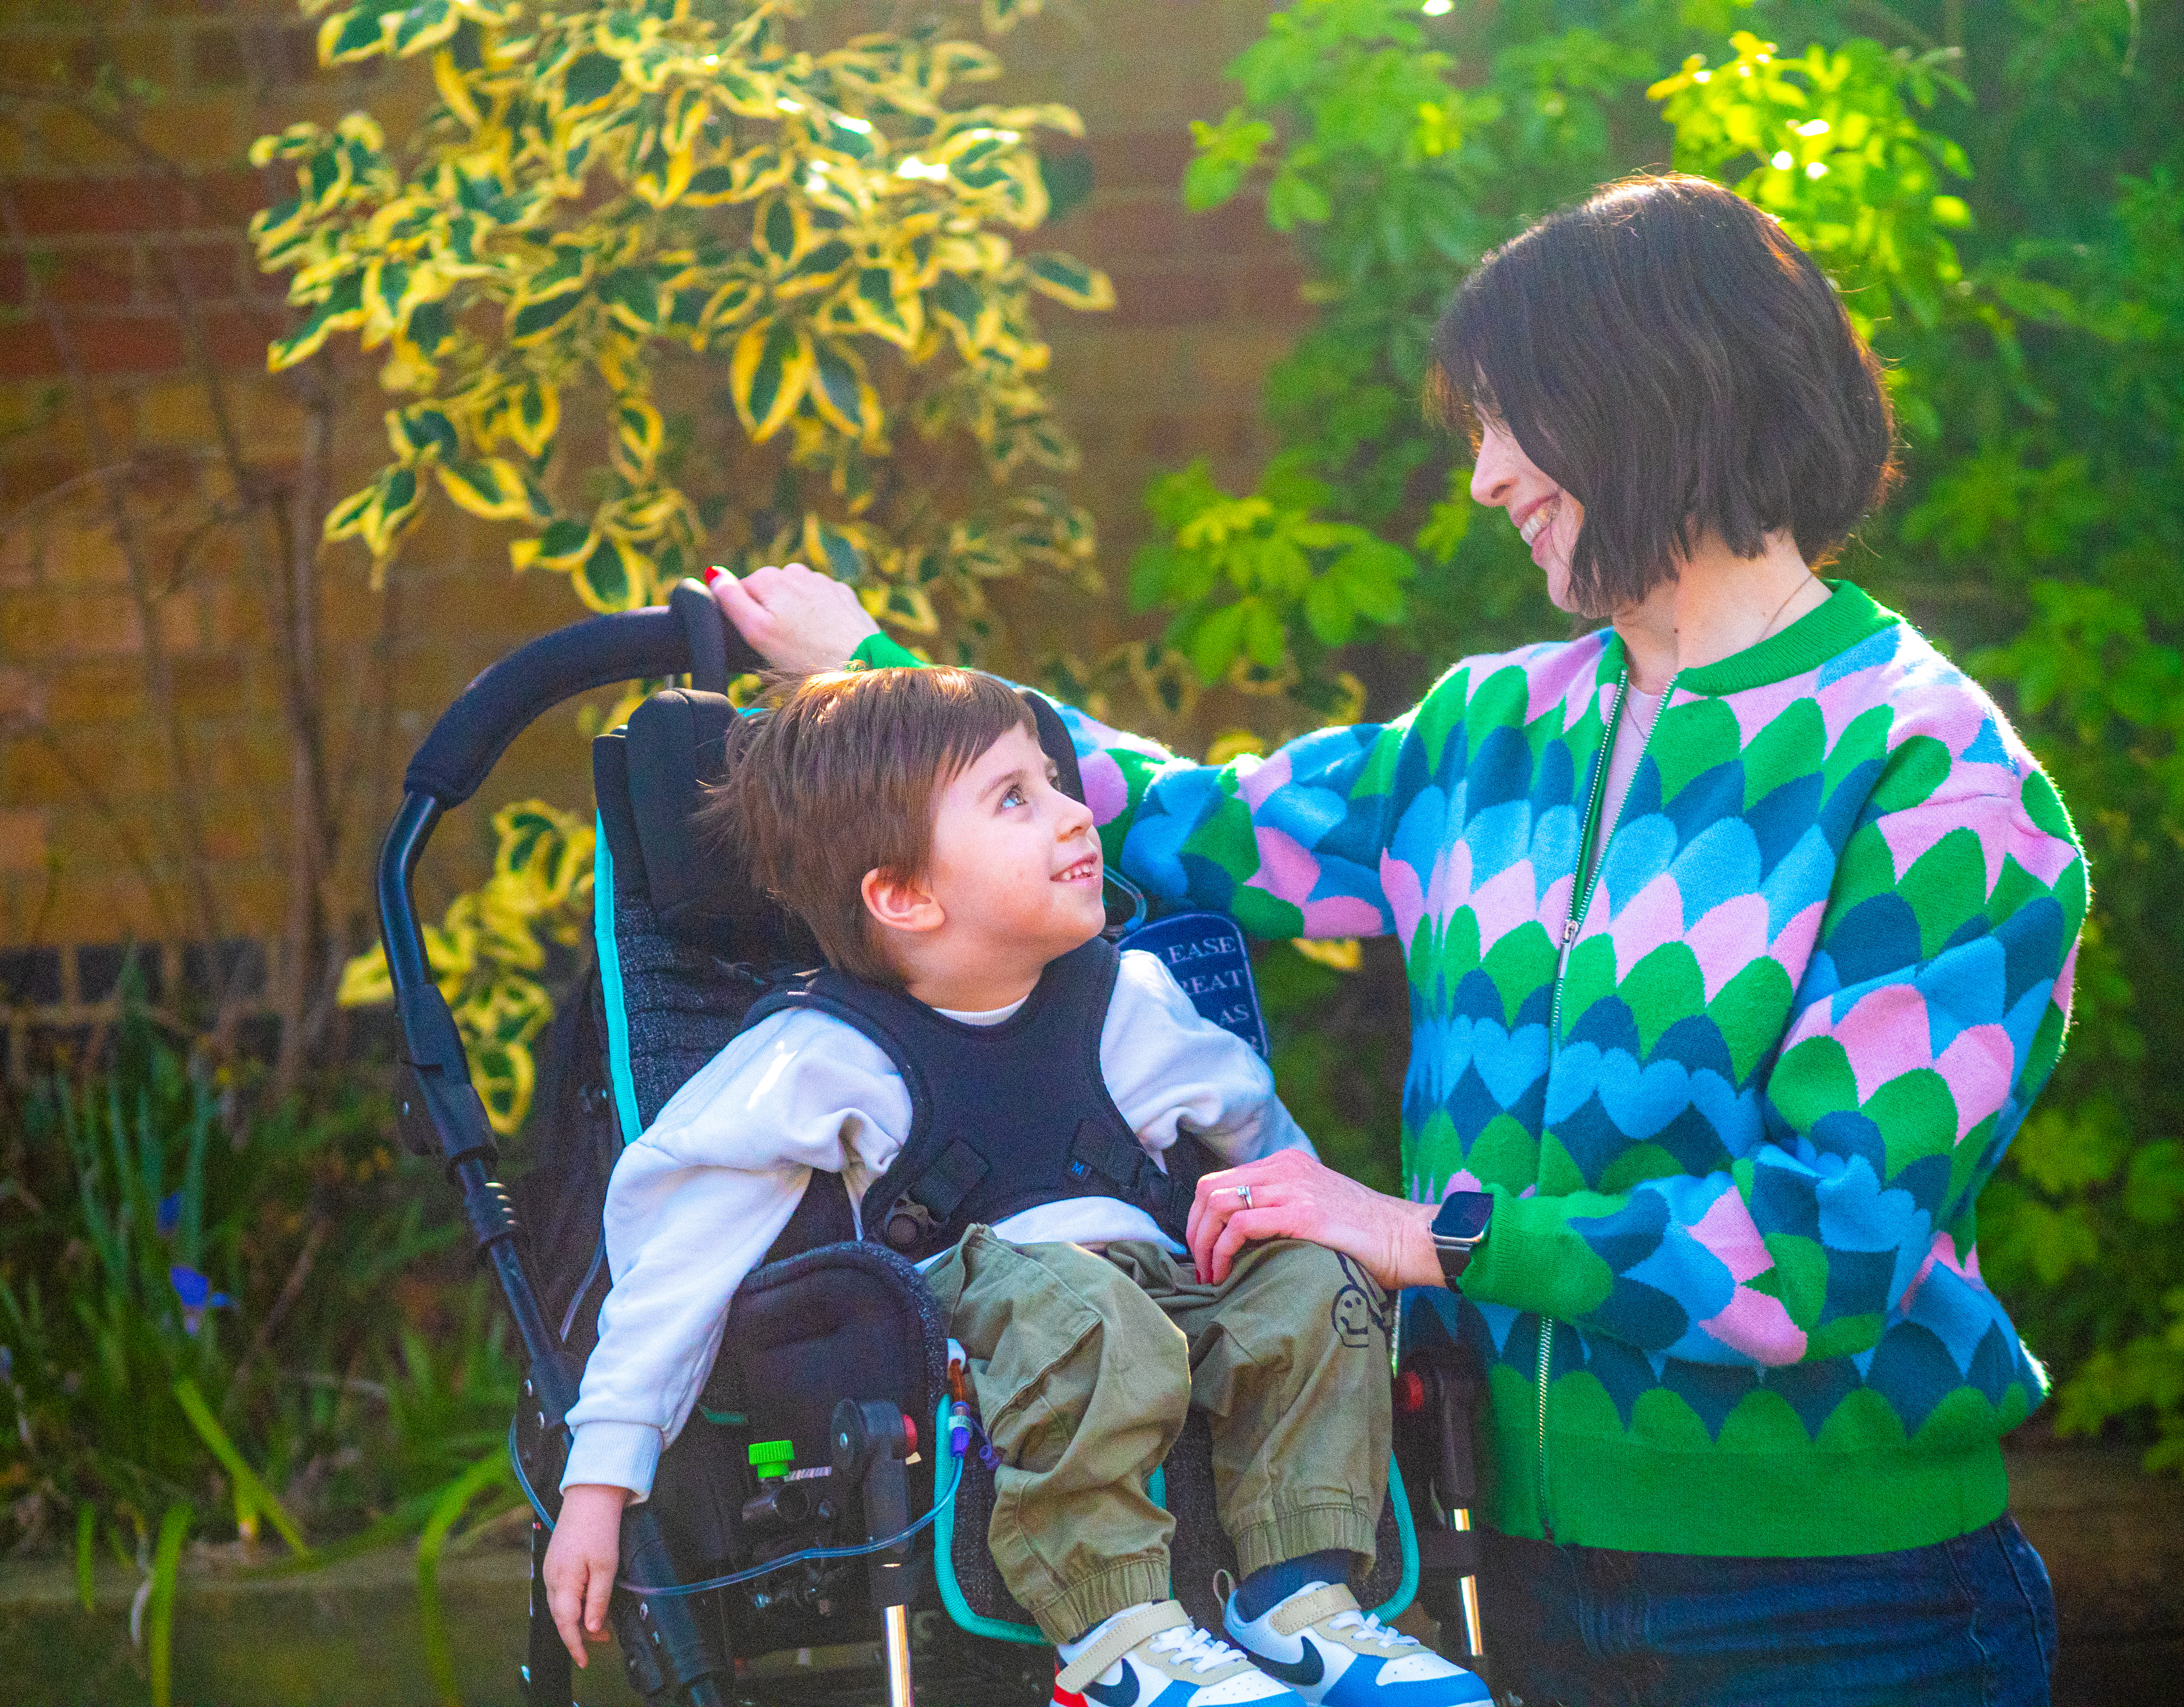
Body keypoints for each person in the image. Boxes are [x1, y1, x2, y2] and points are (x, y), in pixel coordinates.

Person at [709, 175, 2083, 1707]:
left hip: (1840, 1613)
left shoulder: (1934, 780)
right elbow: (1172, 823)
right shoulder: (1490, 730)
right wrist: (888, 684)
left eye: (1514, 418)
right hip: (1520, 1579)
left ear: (1659, 396)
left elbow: (1828, 1243)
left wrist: (1422, 1231)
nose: (1487, 476)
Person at [543, 665, 1493, 1707]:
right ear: (904, 896)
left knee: (1312, 1270)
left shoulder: (1129, 998)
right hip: (979, 1326)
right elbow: (680, 1260)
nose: (1074, 815)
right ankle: (1117, 1627)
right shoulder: (821, 1056)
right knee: (1083, 1310)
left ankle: (1299, 1591)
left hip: (1156, 1295)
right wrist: (604, 1476)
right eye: (1014, 799)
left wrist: (1314, 1233)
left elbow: (1272, 1155)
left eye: (1053, 781)